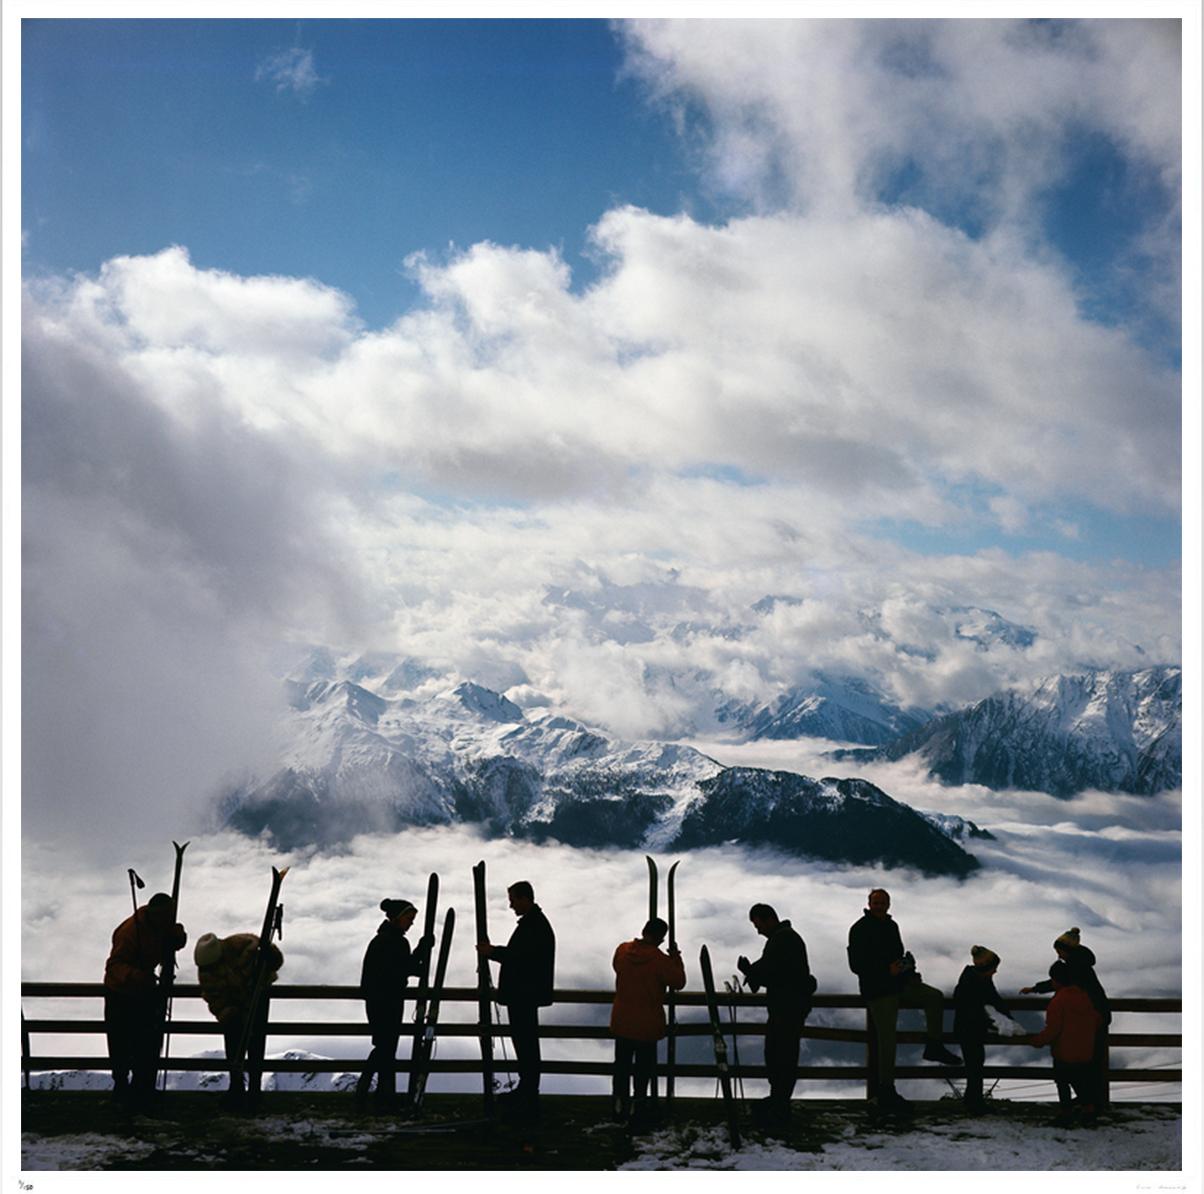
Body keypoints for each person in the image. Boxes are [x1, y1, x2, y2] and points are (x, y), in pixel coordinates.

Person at [846, 888, 961, 1111]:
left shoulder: (891, 926)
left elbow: (897, 956)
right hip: (878, 990)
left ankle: (934, 1045)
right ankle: (886, 1090)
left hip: (899, 984)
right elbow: (856, 965)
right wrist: (885, 970)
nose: (879, 906)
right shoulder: (859, 929)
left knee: (934, 997)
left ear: (888, 904)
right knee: (887, 1040)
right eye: (876, 902)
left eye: (883, 902)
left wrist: (908, 972)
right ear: (869, 904)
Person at [477, 880, 555, 1120]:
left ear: (524, 898)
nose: (510, 905)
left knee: (526, 1043)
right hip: (526, 994)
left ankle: (528, 1093)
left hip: (524, 995)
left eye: (513, 900)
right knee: (525, 1043)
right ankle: (526, 1089)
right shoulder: (536, 923)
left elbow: (520, 957)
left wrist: (493, 952)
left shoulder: (534, 926)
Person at [103, 891, 187, 1109]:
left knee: (148, 1043)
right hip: (120, 993)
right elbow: (114, 966)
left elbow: (175, 937)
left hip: (145, 992)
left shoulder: (160, 925)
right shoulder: (130, 932)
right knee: (121, 1043)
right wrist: (138, 976)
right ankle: (122, 1090)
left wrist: (178, 937)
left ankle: (143, 1089)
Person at [737, 904, 815, 1133]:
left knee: (780, 1055)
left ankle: (779, 1106)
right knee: (781, 1054)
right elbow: (774, 968)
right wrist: (752, 971)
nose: (758, 930)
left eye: (758, 924)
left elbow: (774, 972)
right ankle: (779, 1102)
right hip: (792, 1007)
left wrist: (750, 972)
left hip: (786, 1009)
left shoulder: (782, 940)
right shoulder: (786, 938)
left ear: (768, 919)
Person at [356, 898, 433, 1111]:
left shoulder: (383, 939)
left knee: (384, 1048)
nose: (411, 923)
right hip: (386, 1002)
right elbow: (405, 968)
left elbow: (402, 968)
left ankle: (381, 1094)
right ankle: (373, 1094)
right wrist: (421, 950)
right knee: (385, 1048)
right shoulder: (394, 941)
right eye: (409, 918)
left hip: (379, 1001)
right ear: (398, 918)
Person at [1020, 927, 1111, 1106]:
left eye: (1059, 951)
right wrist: (1036, 988)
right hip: (1095, 1017)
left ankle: (1084, 1104)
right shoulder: (1079, 964)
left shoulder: (1075, 968)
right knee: (1088, 1063)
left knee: (1077, 1067)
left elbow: (1059, 982)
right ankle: (1090, 1103)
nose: (1058, 955)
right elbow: (1060, 982)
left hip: (1089, 1020)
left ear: (1066, 950)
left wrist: (1036, 988)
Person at [610, 916, 686, 1128]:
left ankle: (619, 1104)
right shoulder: (659, 960)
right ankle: (638, 1105)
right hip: (647, 1023)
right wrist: (675, 958)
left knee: (622, 1066)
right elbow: (679, 981)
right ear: (661, 938)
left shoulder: (622, 951)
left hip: (622, 1019)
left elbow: (617, 967)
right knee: (643, 1068)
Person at [194, 930, 283, 1110]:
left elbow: (275, 961)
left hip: (257, 994)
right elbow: (214, 997)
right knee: (234, 1044)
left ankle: (254, 1090)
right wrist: (228, 1012)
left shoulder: (243, 945)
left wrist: (268, 957)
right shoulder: (207, 969)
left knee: (256, 1042)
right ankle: (237, 1088)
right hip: (233, 1005)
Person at [1024, 960, 1104, 1125]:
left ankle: (1065, 1114)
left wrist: (1037, 1041)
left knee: (1062, 1081)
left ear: (1057, 980)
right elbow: (1096, 1019)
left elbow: (1053, 1029)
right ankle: (1089, 1110)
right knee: (1080, 1081)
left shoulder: (1058, 1001)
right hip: (1085, 1050)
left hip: (1064, 1051)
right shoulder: (1084, 996)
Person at [953, 945, 1010, 1113]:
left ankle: (973, 1100)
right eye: (993, 969)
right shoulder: (972, 982)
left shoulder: (976, 978)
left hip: (970, 1030)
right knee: (975, 1065)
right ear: (986, 967)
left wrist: (1006, 1017)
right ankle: (974, 1103)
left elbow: (994, 999)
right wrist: (997, 1020)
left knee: (975, 1064)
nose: (995, 972)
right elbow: (975, 1007)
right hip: (968, 1030)